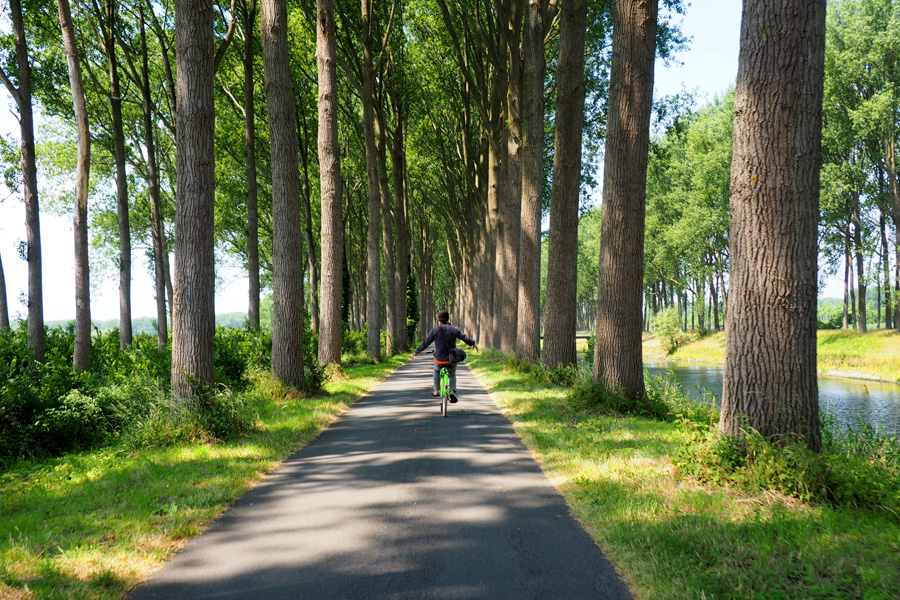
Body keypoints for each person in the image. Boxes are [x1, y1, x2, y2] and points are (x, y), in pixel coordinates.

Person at [412, 310, 478, 403]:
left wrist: (417, 352)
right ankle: (452, 393)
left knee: (436, 371)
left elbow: (426, 343)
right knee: (452, 375)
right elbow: (464, 337)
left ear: (438, 319)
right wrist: (473, 344)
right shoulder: (454, 329)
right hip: (452, 358)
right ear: (448, 319)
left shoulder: (434, 330)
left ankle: (435, 391)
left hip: (439, 359)